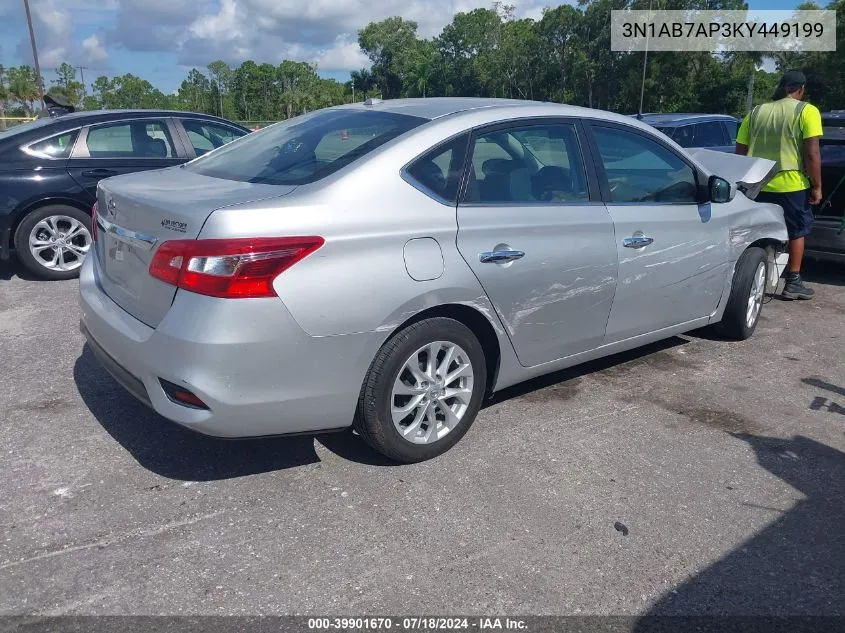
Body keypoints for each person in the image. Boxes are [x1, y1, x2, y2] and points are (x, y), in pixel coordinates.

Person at [735, 70, 823, 301]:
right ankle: (793, 281)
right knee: (796, 232)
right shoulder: (806, 110)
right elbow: (812, 153)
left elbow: (740, 150)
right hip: (791, 184)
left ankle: (752, 277)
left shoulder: (756, 112)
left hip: (756, 185)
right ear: (801, 89)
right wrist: (817, 185)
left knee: (758, 233)